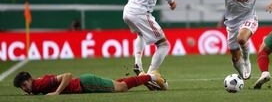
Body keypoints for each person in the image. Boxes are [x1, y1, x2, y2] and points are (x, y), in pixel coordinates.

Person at [123, 0, 177, 90]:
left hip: (128, 11)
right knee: (164, 45)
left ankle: (137, 63)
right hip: (140, 13)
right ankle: (150, 75)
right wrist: (171, 1)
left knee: (140, 34)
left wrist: (131, 1)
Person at [13, 71, 167, 95]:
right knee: (116, 84)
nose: (25, 89)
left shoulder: (39, 84)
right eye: (22, 88)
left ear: (29, 80)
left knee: (121, 88)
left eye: (25, 85)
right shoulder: (37, 84)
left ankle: (150, 77)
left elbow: (67, 75)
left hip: (84, 84)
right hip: (85, 82)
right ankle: (143, 76)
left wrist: (57, 92)